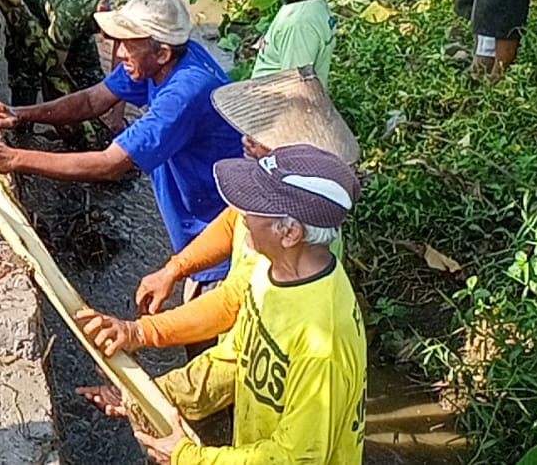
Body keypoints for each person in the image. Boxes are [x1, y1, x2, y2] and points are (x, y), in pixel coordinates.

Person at [77, 145, 367, 465]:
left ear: (289, 232)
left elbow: (298, 457)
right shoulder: (271, 274)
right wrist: (148, 397)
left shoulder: (321, 342)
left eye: (253, 206)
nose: (239, 212)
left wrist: (188, 457)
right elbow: (234, 359)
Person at [0, 0, 242, 292]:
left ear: (161, 52)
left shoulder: (184, 93)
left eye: (128, 45)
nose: (119, 52)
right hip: (200, 226)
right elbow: (92, 101)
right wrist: (19, 114)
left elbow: (109, 165)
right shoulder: (166, 59)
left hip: (218, 238)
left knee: (207, 326)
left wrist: (11, 158)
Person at [12, 0, 136, 77]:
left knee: (89, 73)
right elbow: (55, 60)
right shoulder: (72, 14)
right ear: (102, 10)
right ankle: (24, 100)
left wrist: (118, 91)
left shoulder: (117, 5)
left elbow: (119, 67)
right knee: (29, 62)